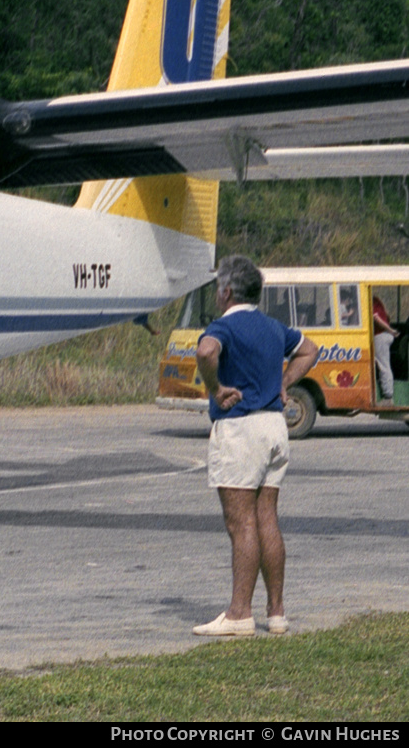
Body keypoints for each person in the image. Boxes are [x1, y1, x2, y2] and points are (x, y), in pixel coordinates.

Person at [192, 256, 319, 636]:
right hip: (274, 426)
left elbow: (205, 352)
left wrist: (215, 388)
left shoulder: (222, 326)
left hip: (240, 427)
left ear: (226, 292)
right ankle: (276, 611)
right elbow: (310, 349)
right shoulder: (272, 326)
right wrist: (286, 382)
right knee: (267, 517)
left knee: (240, 521)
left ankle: (239, 613)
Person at [372, 295, 394, 401]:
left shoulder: (371, 302)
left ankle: (388, 396)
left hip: (380, 335)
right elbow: (387, 316)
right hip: (385, 335)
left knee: (383, 365)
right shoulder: (378, 301)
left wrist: (391, 330)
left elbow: (376, 318)